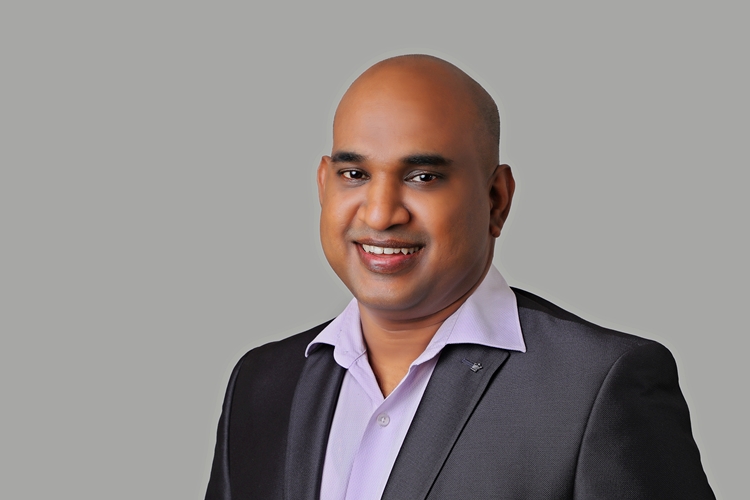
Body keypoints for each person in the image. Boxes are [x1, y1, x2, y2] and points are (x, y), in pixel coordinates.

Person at [205, 55, 714, 499]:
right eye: (354, 174)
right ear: (323, 185)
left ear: (496, 199)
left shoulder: (596, 387)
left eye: (423, 177)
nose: (380, 213)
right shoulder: (261, 383)